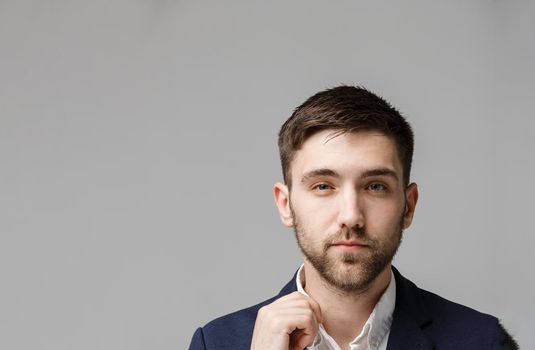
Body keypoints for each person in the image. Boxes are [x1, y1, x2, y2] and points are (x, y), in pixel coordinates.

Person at [188, 86, 518, 350]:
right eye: (323, 186)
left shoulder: (482, 341)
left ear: (409, 205)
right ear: (285, 204)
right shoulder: (216, 344)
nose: (351, 216)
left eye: (375, 186)